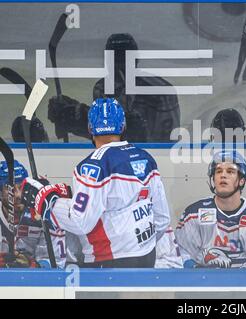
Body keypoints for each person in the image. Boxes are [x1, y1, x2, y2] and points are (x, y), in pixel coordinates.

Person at [21, 98, 171, 268]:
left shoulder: (92, 166)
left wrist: (45, 200)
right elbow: (162, 219)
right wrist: (139, 245)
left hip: (108, 263)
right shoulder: (146, 158)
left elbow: (80, 222)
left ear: (90, 128)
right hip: (147, 256)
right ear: (122, 127)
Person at [48, 33, 180, 143]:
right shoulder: (103, 87)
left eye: (122, 59)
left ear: (135, 60)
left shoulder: (161, 91)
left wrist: (80, 118)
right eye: (113, 59)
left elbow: (167, 143)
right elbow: (106, 137)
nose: (118, 65)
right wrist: (77, 114)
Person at [175, 151, 246, 268]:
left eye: (230, 171)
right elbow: (183, 254)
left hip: (245, 285)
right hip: (203, 283)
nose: (223, 175)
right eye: (218, 171)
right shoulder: (194, 214)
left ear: (241, 180)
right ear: (213, 179)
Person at [0, 160, 66, 268]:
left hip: (33, 281)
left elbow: (56, 262)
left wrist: (34, 266)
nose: (17, 195)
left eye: (21, 187)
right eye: (10, 189)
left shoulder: (42, 213)